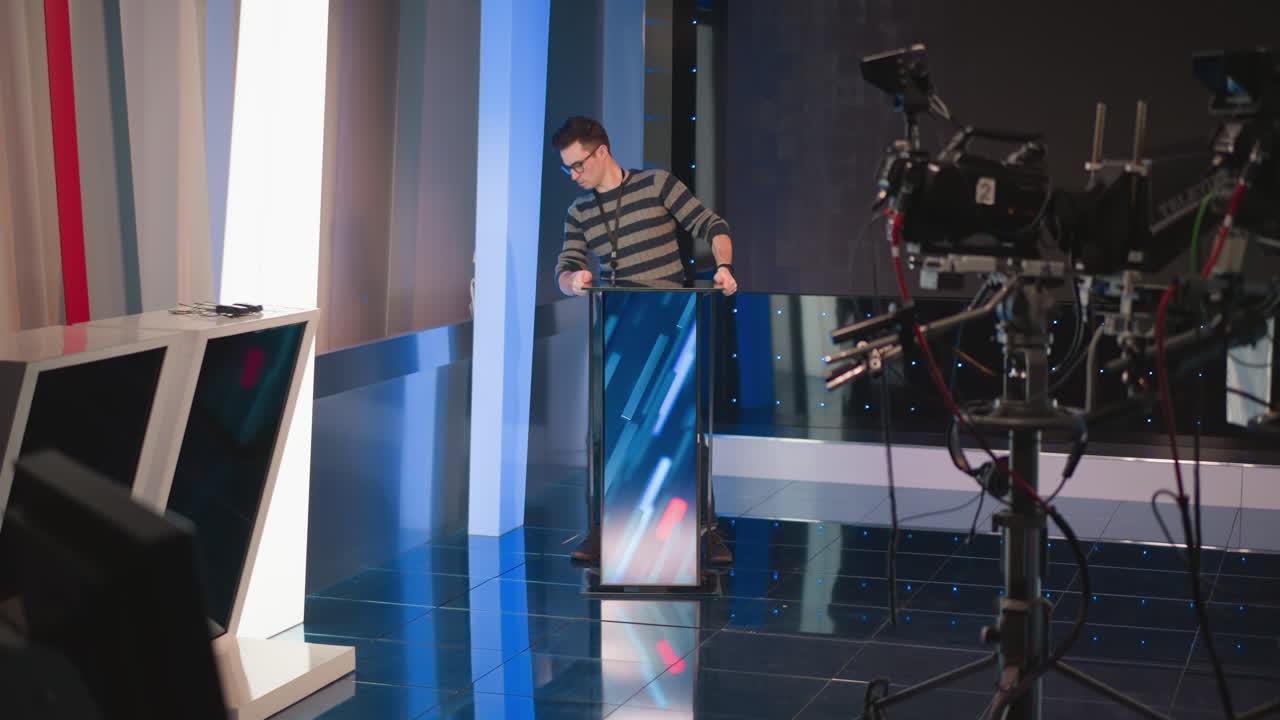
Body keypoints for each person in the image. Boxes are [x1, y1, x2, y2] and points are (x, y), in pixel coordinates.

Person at [550, 116, 735, 565]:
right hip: (620, 328)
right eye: (567, 169)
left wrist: (724, 267)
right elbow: (565, 269)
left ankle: (706, 529)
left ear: (601, 152)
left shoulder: (656, 185)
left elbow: (712, 225)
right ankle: (604, 528)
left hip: (673, 325)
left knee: (684, 429)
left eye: (577, 165)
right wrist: (575, 279)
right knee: (610, 432)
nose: (574, 175)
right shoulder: (580, 212)